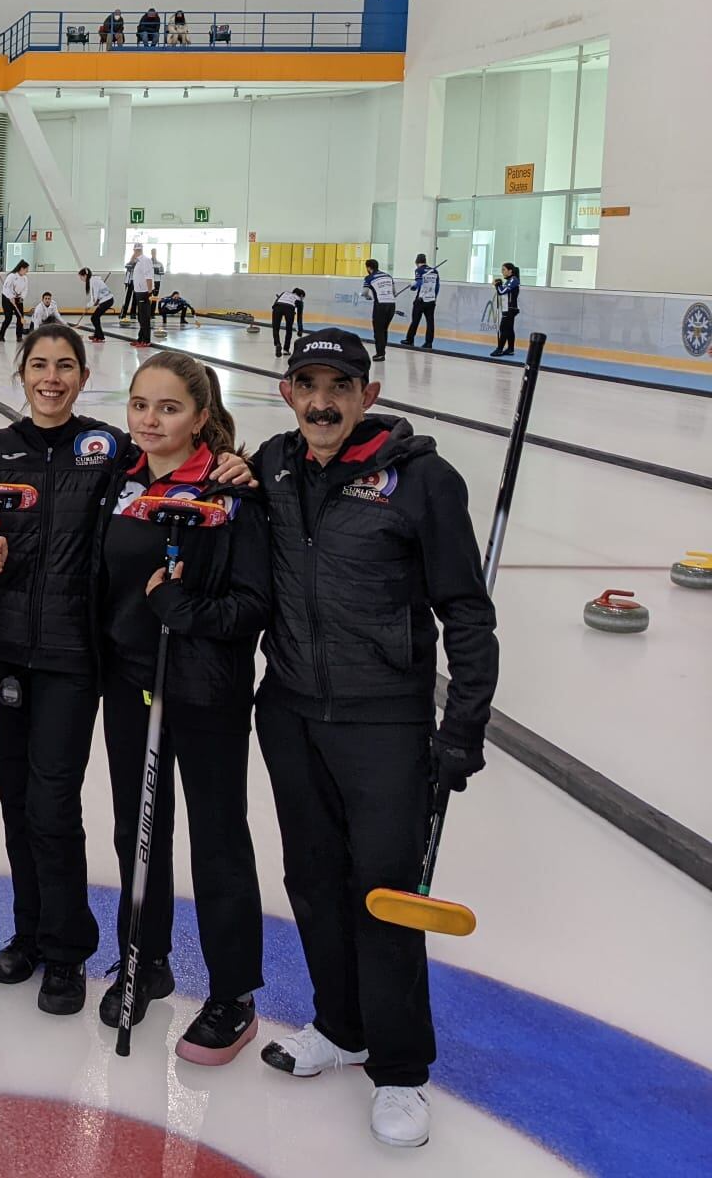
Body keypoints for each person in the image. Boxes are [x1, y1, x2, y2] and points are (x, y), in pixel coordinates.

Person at [0, 327, 253, 1013]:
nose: (50, 378)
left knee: (53, 805)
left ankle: (66, 946)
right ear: (20, 373)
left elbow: (186, 470)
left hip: (77, 656)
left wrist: (233, 463)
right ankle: (29, 932)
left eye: (65, 366)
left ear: (84, 377)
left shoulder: (111, 453)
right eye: (38, 365)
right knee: (17, 800)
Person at [252, 329, 499, 1149]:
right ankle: (339, 1025)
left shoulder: (423, 481)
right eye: (308, 383)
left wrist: (462, 727)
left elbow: (466, 611)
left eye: (340, 386)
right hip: (288, 711)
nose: (323, 401)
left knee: (385, 894)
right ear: (288, 391)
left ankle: (399, 1071)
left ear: (371, 393)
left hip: (384, 719)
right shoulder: (271, 467)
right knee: (313, 881)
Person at [91, 352, 266, 1060]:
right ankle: (145, 958)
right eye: (139, 405)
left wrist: (178, 607)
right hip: (129, 683)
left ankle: (233, 992)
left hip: (205, 691)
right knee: (138, 830)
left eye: (167, 408)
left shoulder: (231, 493)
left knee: (218, 840)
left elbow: (251, 606)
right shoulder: (119, 478)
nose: (150, 420)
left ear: (200, 416)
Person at [362, 259, 398, 361]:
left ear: (369, 268)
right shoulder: (388, 276)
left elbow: (364, 292)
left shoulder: (369, 278)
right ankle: (382, 352)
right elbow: (394, 292)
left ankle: (380, 354)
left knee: (378, 330)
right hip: (391, 305)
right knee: (384, 329)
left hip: (380, 305)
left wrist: (368, 297)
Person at [405, 255, 440, 350]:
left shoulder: (419, 270)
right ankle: (428, 343)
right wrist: (435, 297)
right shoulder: (434, 271)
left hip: (421, 299)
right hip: (431, 299)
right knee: (430, 322)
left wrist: (413, 286)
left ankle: (409, 340)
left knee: (415, 320)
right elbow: (437, 286)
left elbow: (419, 283)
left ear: (416, 262)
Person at [491, 264, 521, 356]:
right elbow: (502, 291)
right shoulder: (509, 280)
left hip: (510, 309)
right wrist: (498, 285)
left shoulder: (513, 279)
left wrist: (498, 285)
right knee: (509, 329)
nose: (502, 271)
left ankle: (499, 349)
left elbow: (501, 291)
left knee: (503, 328)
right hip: (508, 309)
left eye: (504, 269)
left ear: (510, 271)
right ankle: (510, 349)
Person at [79, 267, 115, 342]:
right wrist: (94, 302)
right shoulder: (94, 280)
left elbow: (94, 299)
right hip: (107, 300)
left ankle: (100, 336)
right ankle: (97, 334)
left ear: (85, 275)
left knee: (94, 318)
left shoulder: (93, 282)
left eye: (81, 277)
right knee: (95, 317)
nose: (80, 279)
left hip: (107, 301)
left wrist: (88, 306)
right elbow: (96, 298)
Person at [0, 259, 31, 342]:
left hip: (18, 299)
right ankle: (1, 335)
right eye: (26, 269)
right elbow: (5, 288)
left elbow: (25, 289)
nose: (27, 271)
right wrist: (10, 297)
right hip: (7, 298)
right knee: (8, 318)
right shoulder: (12, 276)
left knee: (20, 317)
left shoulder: (25, 278)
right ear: (22, 268)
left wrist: (22, 298)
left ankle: (19, 336)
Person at [131, 252, 158, 347]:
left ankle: (146, 340)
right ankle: (140, 339)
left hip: (144, 292)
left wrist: (149, 292)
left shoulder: (145, 261)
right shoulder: (138, 262)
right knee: (140, 317)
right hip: (139, 292)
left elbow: (149, 277)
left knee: (144, 318)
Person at [270, 287, 307, 357]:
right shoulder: (299, 300)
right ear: (301, 295)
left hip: (277, 307)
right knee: (289, 330)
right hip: (289, 309)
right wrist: (300, 330)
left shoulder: (284, 293)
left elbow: (275, 302)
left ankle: (277, 344)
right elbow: (299, 317)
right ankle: (286, 350)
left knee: (275, 328)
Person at [121, 245, 144, 321]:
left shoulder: (141, 262)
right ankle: (123, 313)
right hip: (130, 281)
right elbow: (127, 266)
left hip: (137, 282)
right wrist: (132, 263)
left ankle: (133, 313)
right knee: (127, 298)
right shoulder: (130, 262)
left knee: (135, 298)